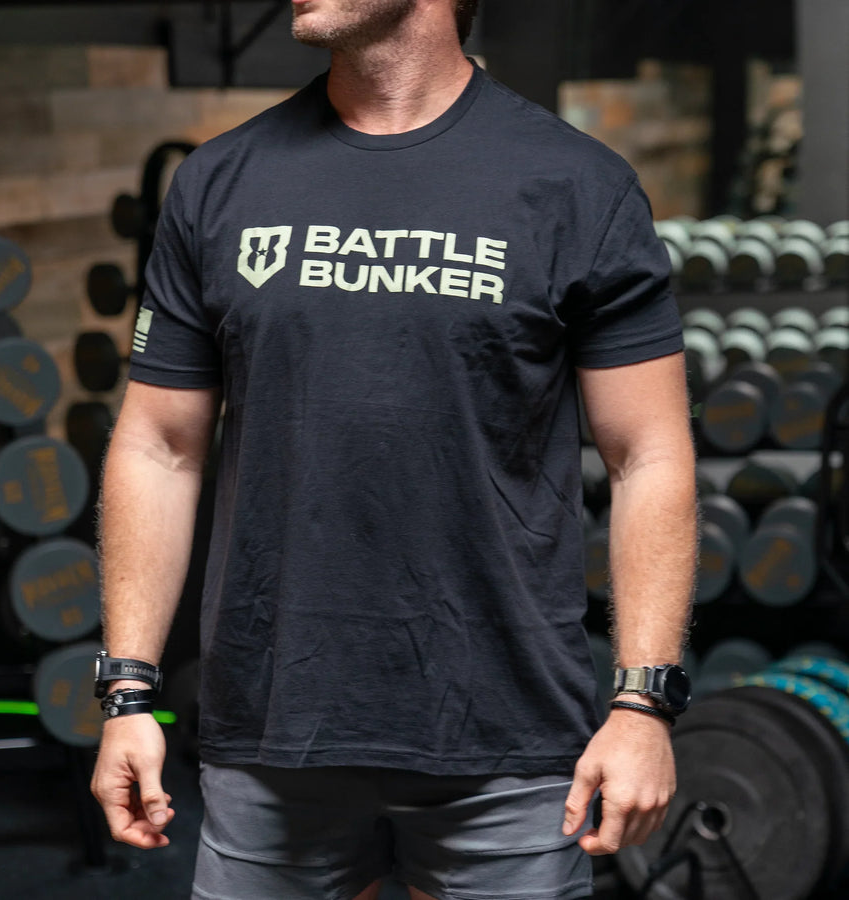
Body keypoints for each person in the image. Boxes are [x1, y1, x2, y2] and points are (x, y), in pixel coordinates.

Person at [90, 1, 697, 898]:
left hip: (510, 740)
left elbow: (648, 455)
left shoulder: (577, 186)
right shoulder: (221, 182)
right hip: (273, 731)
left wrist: (642, 702)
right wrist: (128, 694)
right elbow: (157, 446)